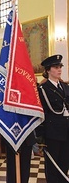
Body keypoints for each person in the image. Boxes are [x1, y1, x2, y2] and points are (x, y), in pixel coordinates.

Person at [38, 54, 69, 183]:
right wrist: (41, 136)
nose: (59, 70)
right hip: (52, 132)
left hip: (66, 130)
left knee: (64, 163)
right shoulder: (43, 89)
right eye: (56, 67)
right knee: (52, 165)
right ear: (48, 70)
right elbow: (42, 112)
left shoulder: (65, 87)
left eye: (60, 67)